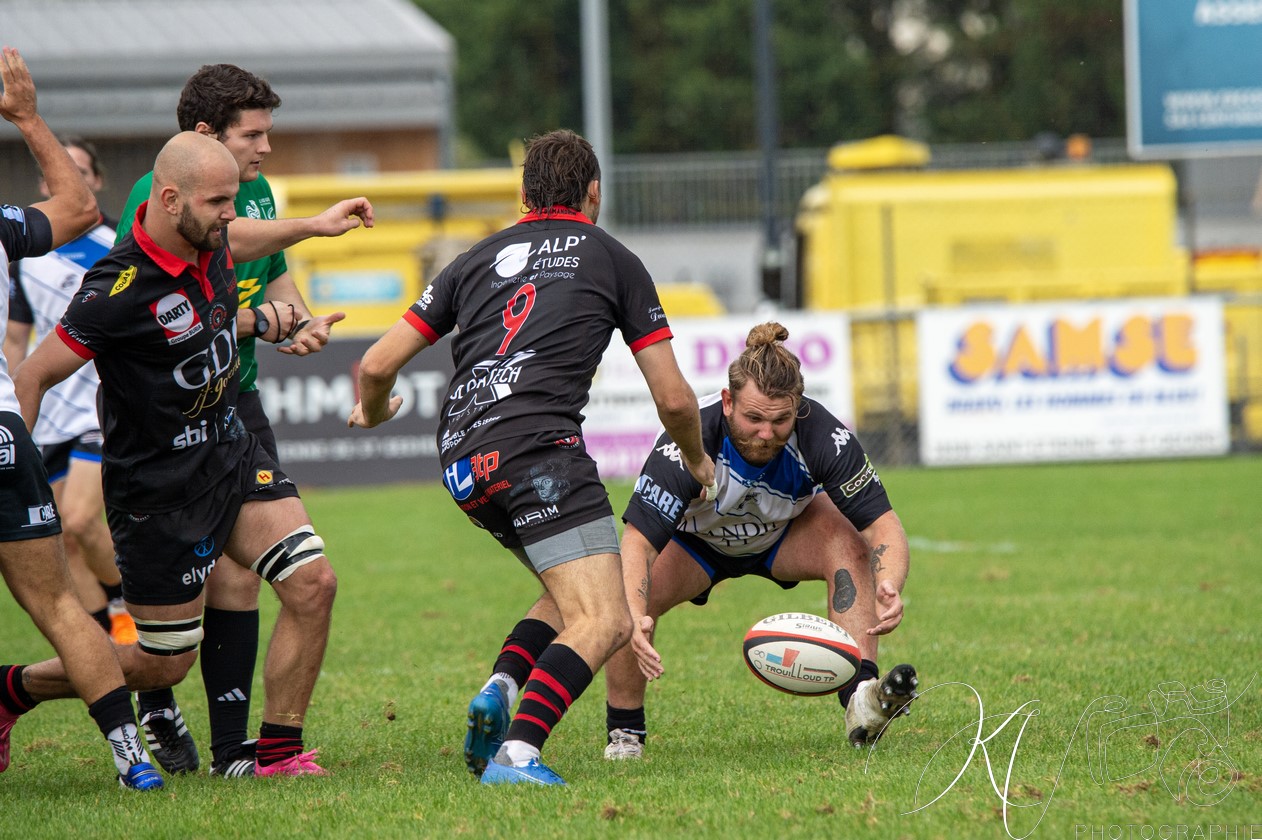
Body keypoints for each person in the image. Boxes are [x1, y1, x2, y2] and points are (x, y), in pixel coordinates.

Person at [349, 129, 716, 786]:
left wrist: (374, 411)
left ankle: (501, 687)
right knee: (607, 617)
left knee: (576, 587)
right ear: (594, 194)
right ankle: (518, 754)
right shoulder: (612, 257)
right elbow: (675, 399)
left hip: (463, 458)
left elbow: (375, 365)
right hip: (536, 449)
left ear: (523, 196)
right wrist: (696, 461)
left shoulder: (473, 258)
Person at [10, 131, 341, 779]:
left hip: (231, 454)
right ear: (169, 199)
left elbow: (236, 254)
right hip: (160, 496)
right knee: (159, 663)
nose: (230, 213)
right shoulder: (116, 289)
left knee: (312, 582)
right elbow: (32, 376)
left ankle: (275, 753)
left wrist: (301, 252)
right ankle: (13, 689)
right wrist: (14, 478)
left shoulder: (209, 240)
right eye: (219, 201)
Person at [115, 64, 366, 779]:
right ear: (203, 136)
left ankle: (252, 754)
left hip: (237, 408)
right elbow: (227, 243)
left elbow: (272, 270)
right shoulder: (160, 189)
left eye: (266, 133)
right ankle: (36, 685)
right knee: (165, 652)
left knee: (284, 581)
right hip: (165, 424)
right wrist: (317, 226)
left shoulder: (255, 189)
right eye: (251, 134)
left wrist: (300, 322)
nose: (263, 148)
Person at [602, 322, 917, 760]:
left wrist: (890, 583)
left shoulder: (824, 435)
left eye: (780, 420)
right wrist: (635, 616)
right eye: (753, 418)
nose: (766, 433)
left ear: (798, 407)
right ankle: (625, 733)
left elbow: (882, 525)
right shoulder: (690, 438)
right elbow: (637, 541)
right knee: (628, 594)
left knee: (848, 540)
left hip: (782, 535)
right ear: (728, 402)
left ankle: (862, 699)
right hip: (699, 543)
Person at [0, 46, 161, 791]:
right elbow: (75, 209)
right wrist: (26, 116)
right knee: (61, 601)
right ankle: (134, 761)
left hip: (74, 417)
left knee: (81, 536)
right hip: (7, 429)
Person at [5, 135, 138, 647]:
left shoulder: (118, 245)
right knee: (63, 537)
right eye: (61, 172)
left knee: (82, 520)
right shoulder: (26, 253)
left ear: (97, 182)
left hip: (100, 405)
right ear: (45, 183)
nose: (71, 178)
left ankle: (134, 606)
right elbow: (18, 336)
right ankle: (110, 637)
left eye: (82, 170)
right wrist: (16, 405)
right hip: (48, 408)